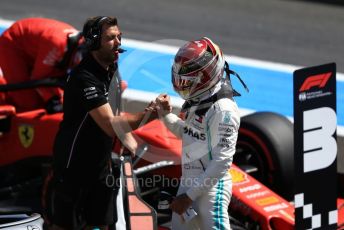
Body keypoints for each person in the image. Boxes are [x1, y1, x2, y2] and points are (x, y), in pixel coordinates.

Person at [44, 16, 156, 230]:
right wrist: (152, 113)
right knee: (64, 227)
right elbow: (109, 124)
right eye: (111, 38)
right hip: (73, 166)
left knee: (102, 224)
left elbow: (116, 111)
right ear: (94, 42)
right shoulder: (84, 77)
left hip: (100, 165)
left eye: (119, 37)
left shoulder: (112, 70)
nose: (119, 43)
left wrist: (127, 137)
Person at [156, 37, 247, 229]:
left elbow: (222, 162)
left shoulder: (223, 110)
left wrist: (189, 197)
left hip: (211, 190)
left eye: (188, 80)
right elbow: (191, 135)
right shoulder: (201, 99)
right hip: (189, 185)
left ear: (205, 75)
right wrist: (165, 115)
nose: (182, 85)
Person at [0, 17, 84, 113]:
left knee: (57, 98)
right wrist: (53, 100)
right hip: (12, 45)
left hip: (36, 49)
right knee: (28, 103)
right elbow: (39, 79)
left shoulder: (79, 45)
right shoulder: (57, 46)